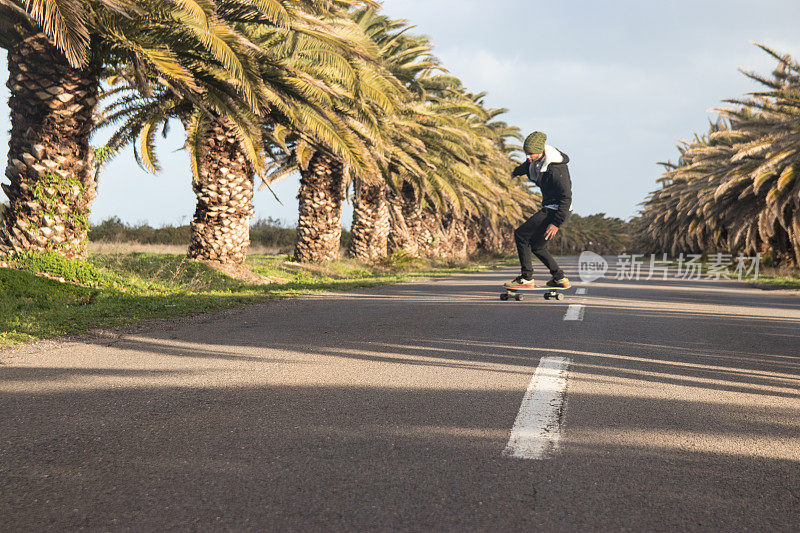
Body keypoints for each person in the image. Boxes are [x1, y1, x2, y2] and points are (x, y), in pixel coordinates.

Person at [505, 131, 572, 289]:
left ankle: (526, 278)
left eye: (531, 154)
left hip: (556, 210)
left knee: (521, 235)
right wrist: (512, 173)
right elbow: (525, 167)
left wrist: (555, 223)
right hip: (551, 207)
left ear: (541, 152)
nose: (528, 157)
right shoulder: (535, 160)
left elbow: (566, 198)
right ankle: (559, 278)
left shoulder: (556, 170)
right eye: (526, 153)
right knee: (537, 246)